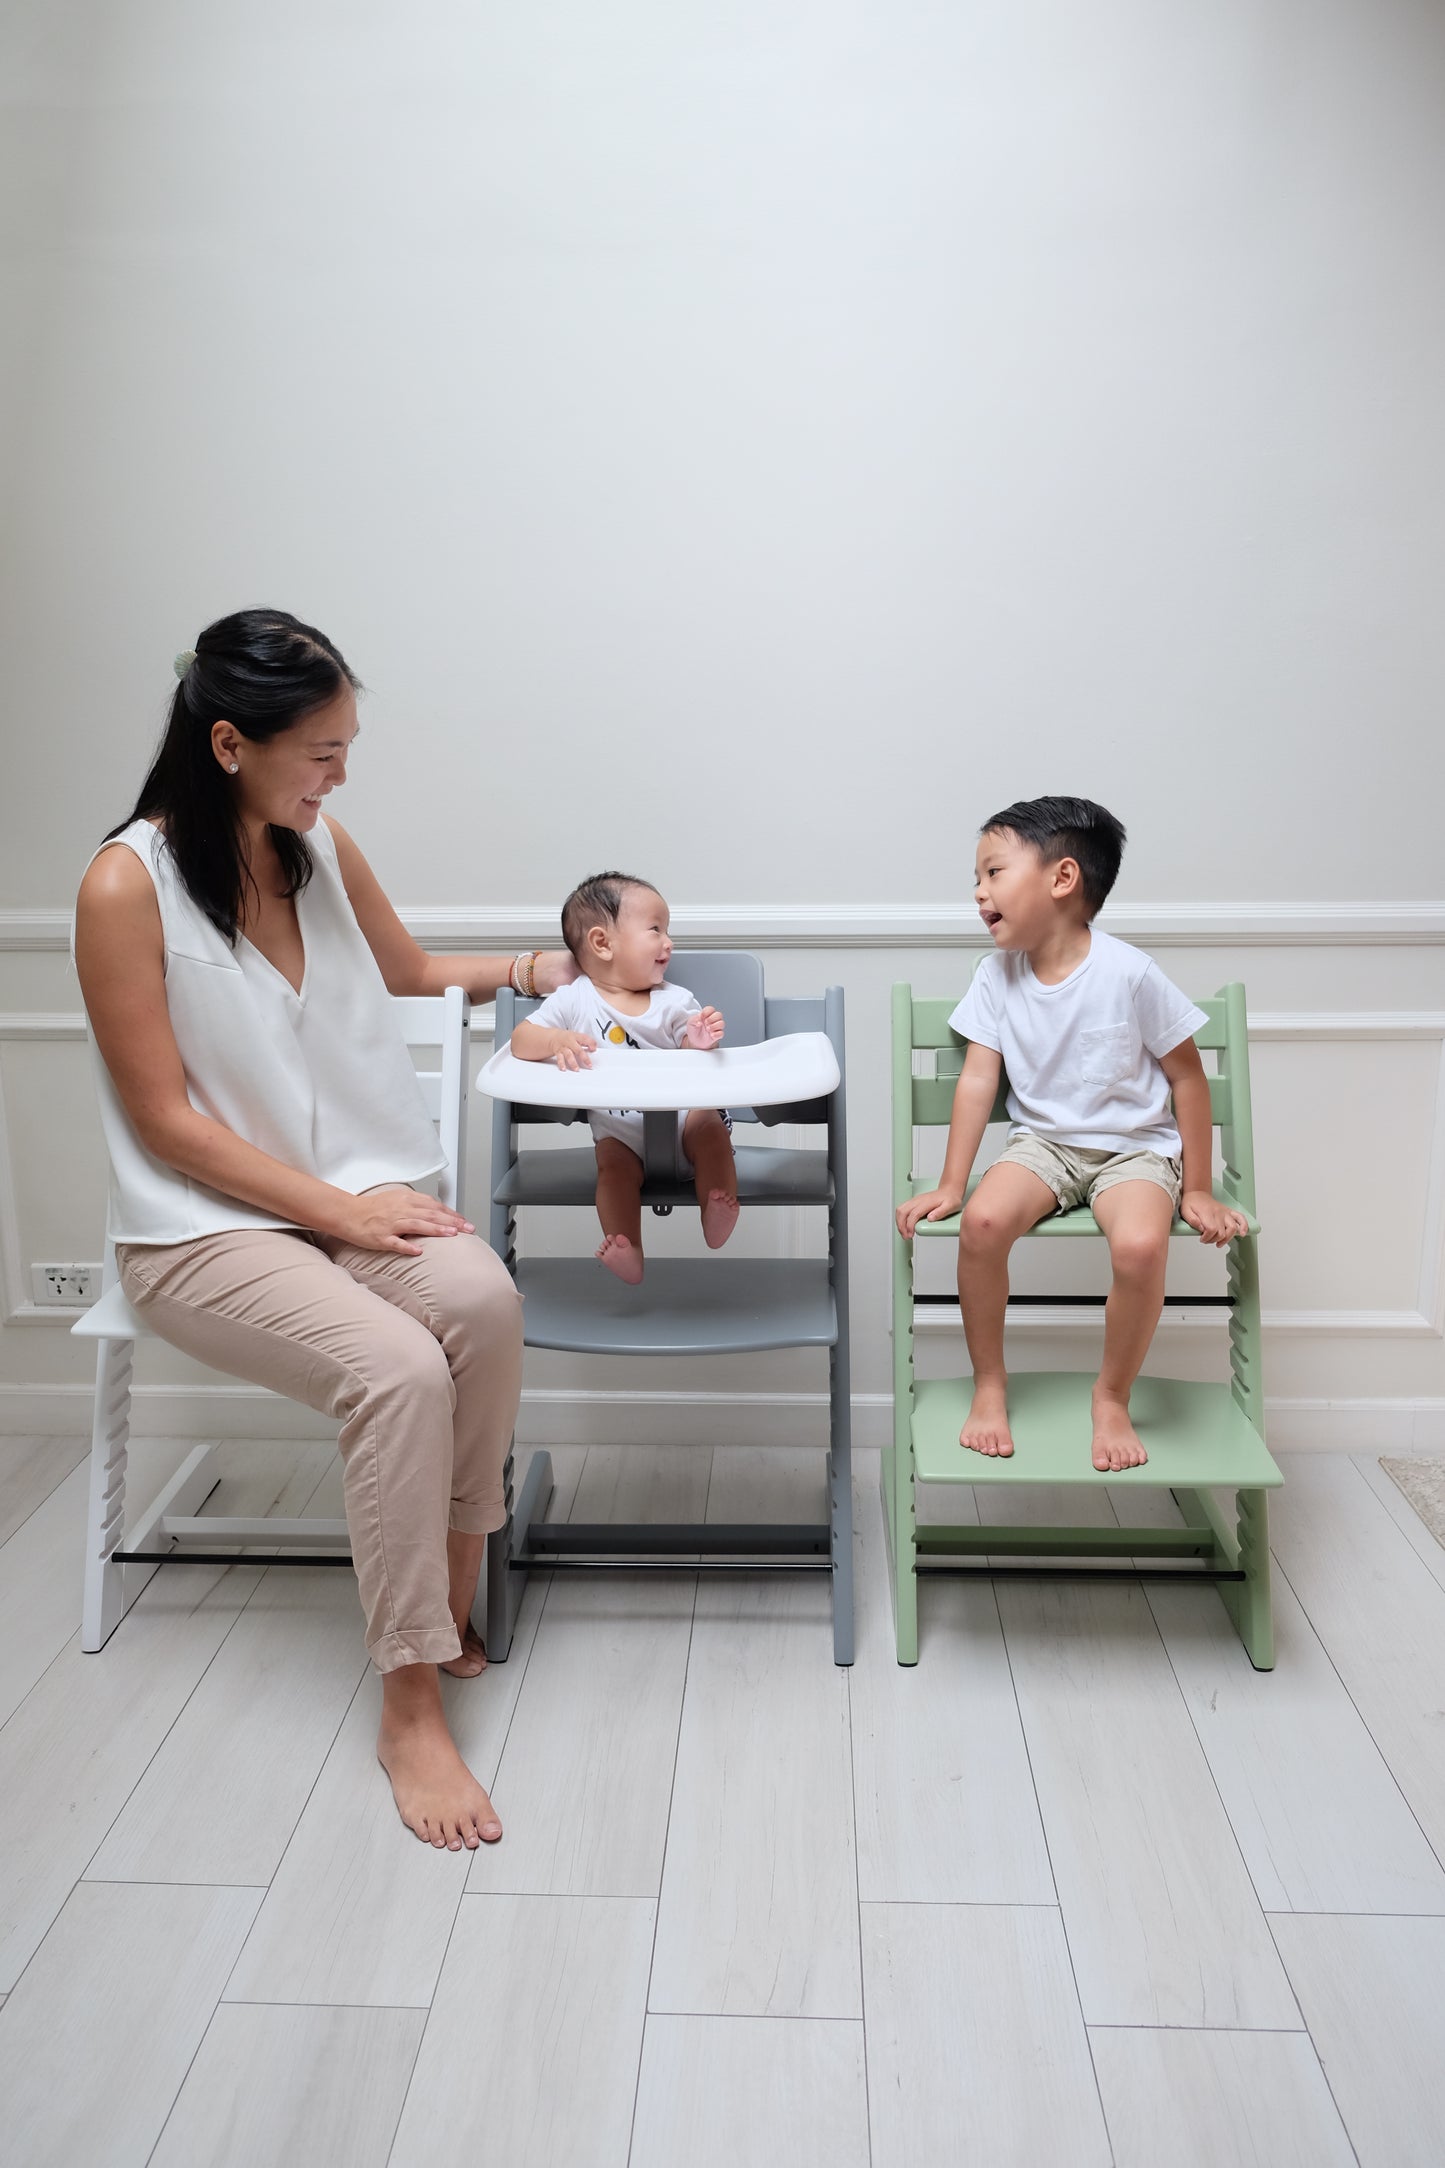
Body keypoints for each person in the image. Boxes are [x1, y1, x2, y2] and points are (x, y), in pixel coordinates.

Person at [73, 607, 575, 1852]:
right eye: (323, 749)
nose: (341, 772)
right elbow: (168, 1122)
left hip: (351, 1191)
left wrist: (528, 969)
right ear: (231, 741)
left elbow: (402, 969)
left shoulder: (317, 842)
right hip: (200, 1228)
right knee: (395, 1368)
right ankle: (407, 1701)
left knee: (484, 1305)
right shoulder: (120, 885)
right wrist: (337, 1211)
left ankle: (449, 1582)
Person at [895, 795, 1249, 1472]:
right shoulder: (996, 976)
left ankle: (1111, 1396)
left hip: (1136, 1151)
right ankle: (990, 1384)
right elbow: (977, 1082)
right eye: (976, 878)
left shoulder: (1129, 973)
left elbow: (1188, 1081)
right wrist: (948, 1184)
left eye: (993, 873)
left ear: (1061, 879)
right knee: (983, 1225)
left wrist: (1197, 1187)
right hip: (1043, 1147)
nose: (977, 893)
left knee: (1142, 1246)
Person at [509, 872, 739, 1283]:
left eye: (668, 930)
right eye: (655, 929)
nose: (668, 942)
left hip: (683, 1121)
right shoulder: (574, 999)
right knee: (612, 1170)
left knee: (710, 1130)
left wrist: (698, 1040)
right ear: (602, 943)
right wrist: (556, 1038)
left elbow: (693, 1064)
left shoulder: (674, 1000)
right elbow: (520, 1041)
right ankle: (627, 1246)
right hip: (620, 1133)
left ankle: (715, 1207)